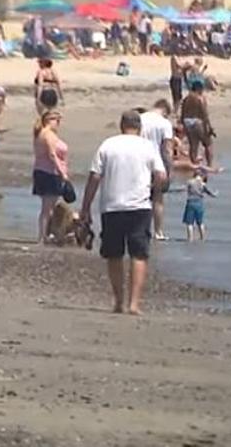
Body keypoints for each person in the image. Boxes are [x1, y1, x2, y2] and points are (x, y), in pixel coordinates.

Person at [80, 111, 167, 315]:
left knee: (114, 255)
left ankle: (119, 301)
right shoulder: (147, 146)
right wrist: (152, 188)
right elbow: (161, 176)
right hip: (139, 207)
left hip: (112, 206)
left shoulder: (108, 144)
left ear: (121, 125)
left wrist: (86, 207)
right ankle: (134, 304)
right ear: (140, 127)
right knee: (139, 254)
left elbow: (94, 177)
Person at [140, 99, 175, 241]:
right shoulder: (165, 123)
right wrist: (170, 169)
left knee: (140, 197)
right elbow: (167, 150)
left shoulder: (140, 119)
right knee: (158, 198)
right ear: (165, 111)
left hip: (139, 162)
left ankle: (142, 229)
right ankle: (158, 231)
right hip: (157, 164)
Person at [33, 110, 69, 244]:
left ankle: (49, 234)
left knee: (49, 206)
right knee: (47, 207)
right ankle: (42, 237)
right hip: (49, 172)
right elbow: (52, 155)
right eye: (56, 120)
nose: (58, 123)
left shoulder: (42, 133)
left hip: (44, 171)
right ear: (49, 121)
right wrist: (62, 173)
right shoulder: (47, 134)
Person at [180, 81, 215, 167]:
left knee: (193, 145)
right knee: (208, 143)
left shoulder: (186, 99)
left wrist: (183, 125)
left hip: (187, 122)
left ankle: (194, 165)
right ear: (199, 89)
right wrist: (209, 127)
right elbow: (204, 114)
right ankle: (210, 165)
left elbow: (182, 113)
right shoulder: (200, 98)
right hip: (197, 122)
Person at [183, 167, 217, 241]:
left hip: (191, 202)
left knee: (189, 223)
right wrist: (214, 194)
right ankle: (202, 238)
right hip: (199, 202)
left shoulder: (190, 181)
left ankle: (190, 238)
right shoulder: (202, 184)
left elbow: (184, 189)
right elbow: (209, 192)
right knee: (200, 222)